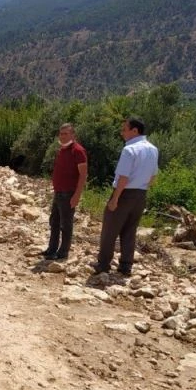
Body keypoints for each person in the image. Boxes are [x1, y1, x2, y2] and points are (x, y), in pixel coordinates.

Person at [93, 117, 158, 275]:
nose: (122, 133)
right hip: (141, 193)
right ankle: (126, 266)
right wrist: (142, 189)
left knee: (110, 229)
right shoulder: (153, 149)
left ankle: (103, 264)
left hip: (125, 193)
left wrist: (115, 198)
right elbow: (153, 176)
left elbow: (123, 177)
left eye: (124, 129)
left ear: (134, 131)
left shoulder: (129, 149)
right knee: (130, 230)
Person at [42, 123, 87, 260]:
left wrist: (77, 195)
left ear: (73, 135)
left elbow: (83, 175)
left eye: (66, 134)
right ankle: (51, 249)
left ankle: (63, 252)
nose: (62, 136)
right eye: (61, 134)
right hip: (58, 192)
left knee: (66, 224)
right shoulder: (62, 149)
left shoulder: (78, 151)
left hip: (69, 193)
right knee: (54, 222)